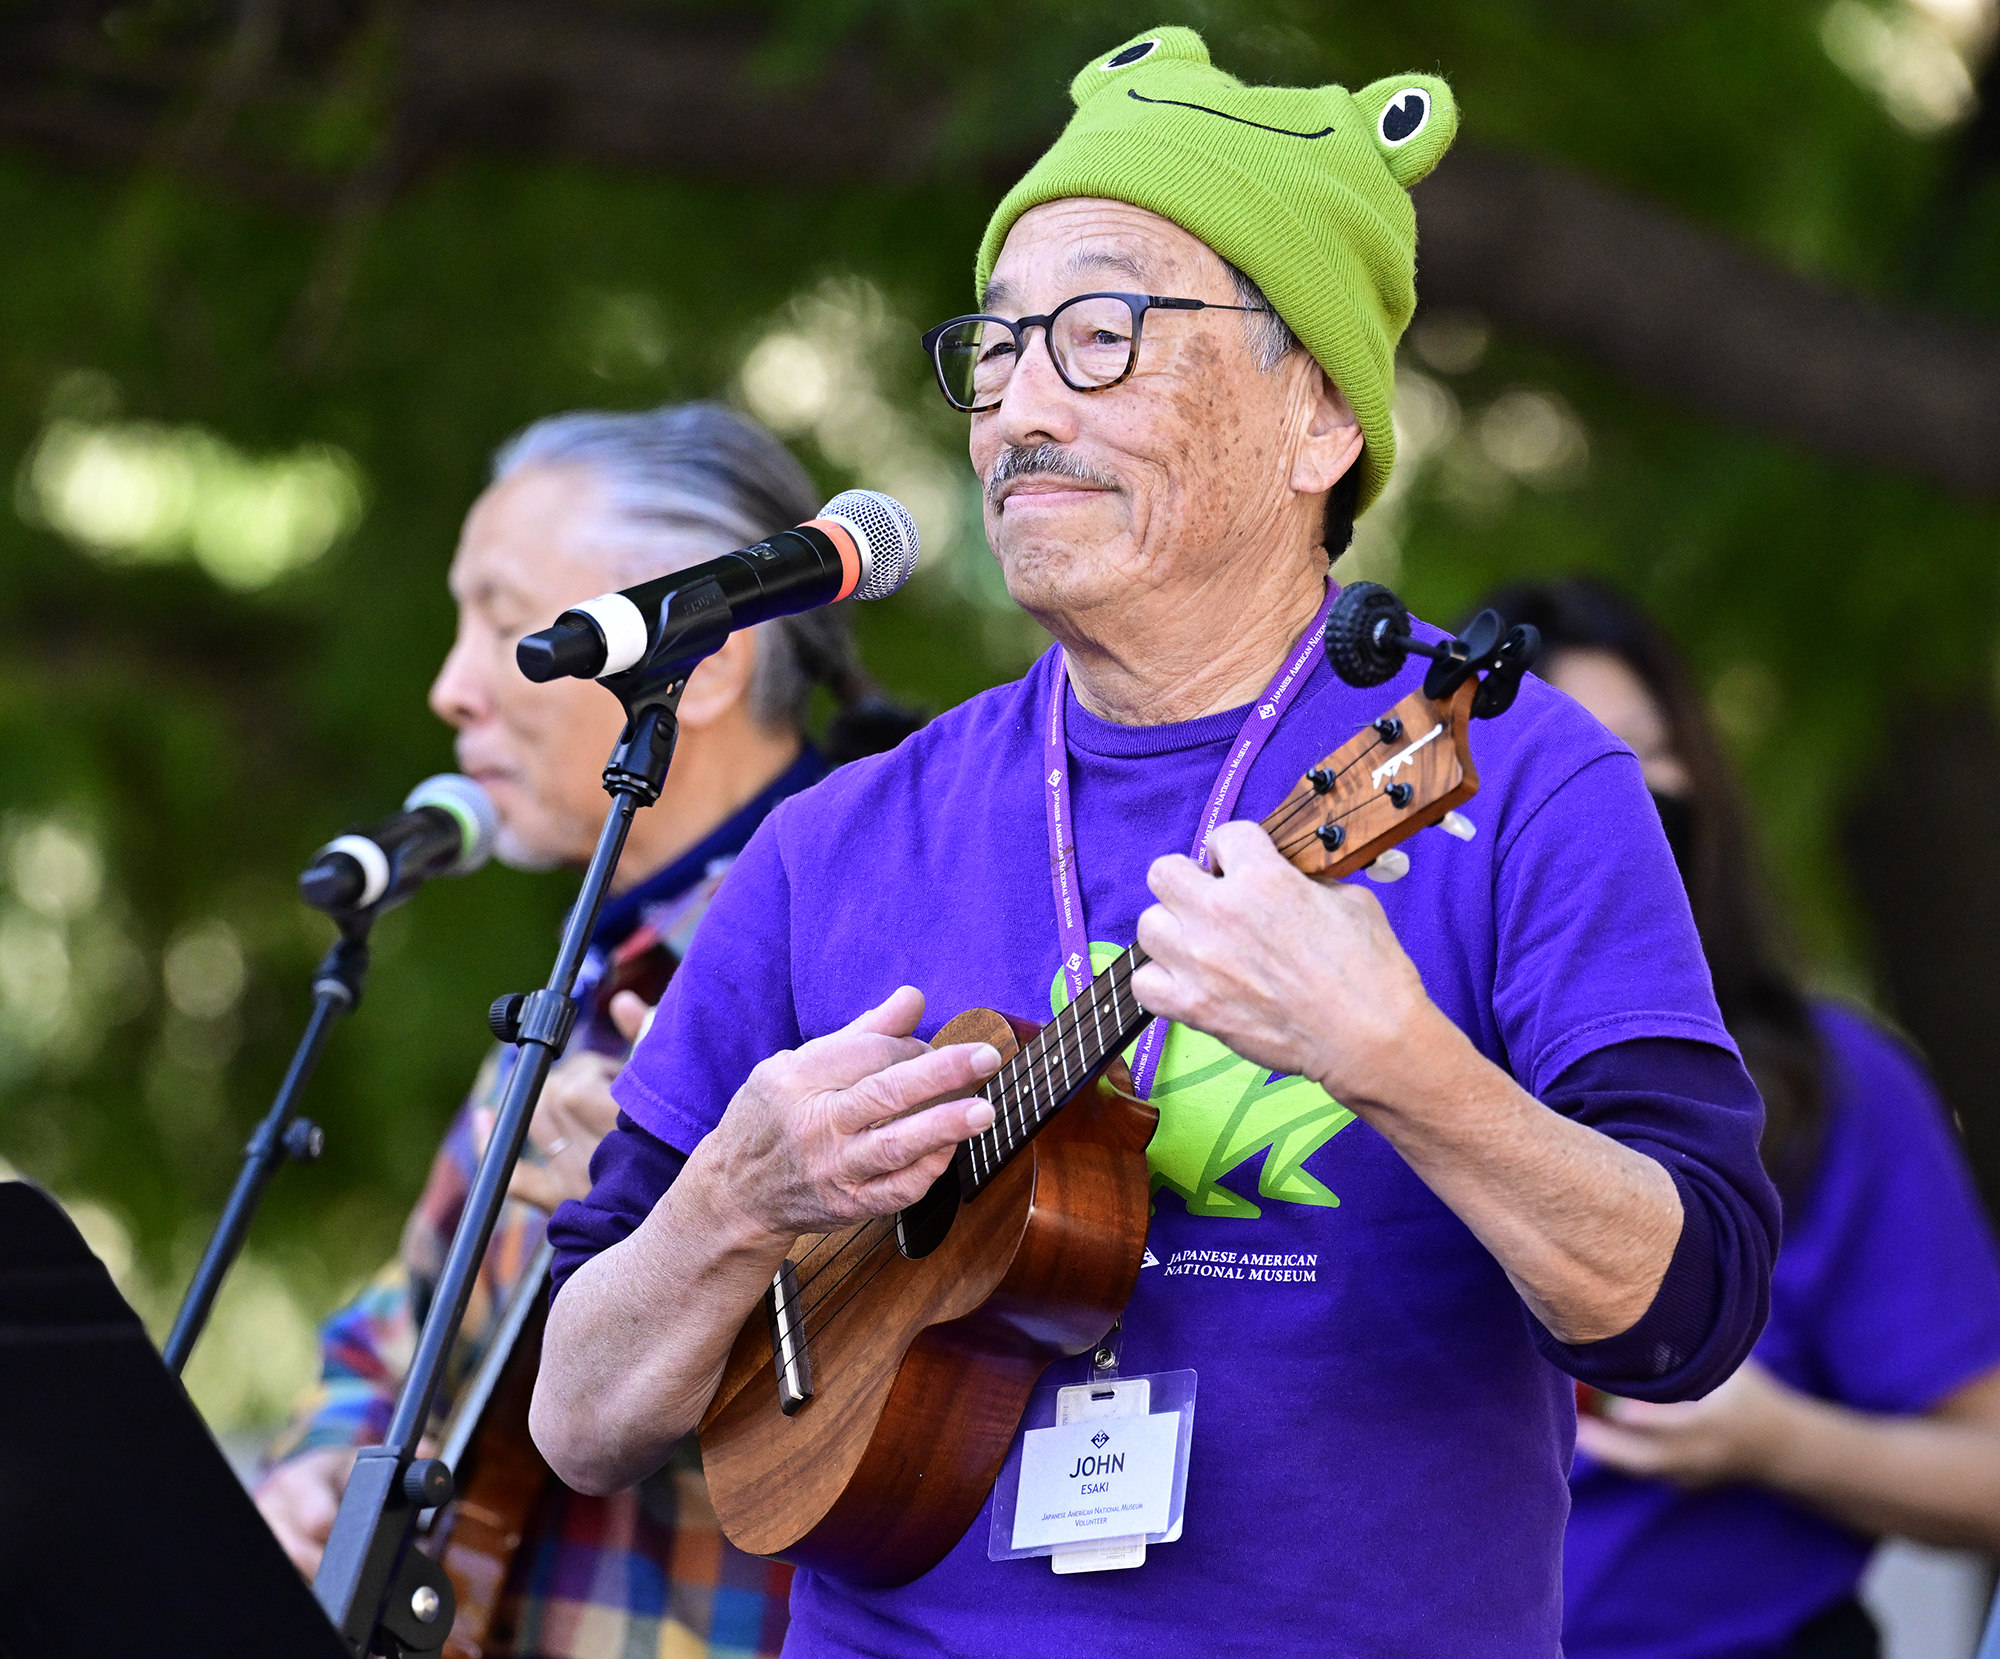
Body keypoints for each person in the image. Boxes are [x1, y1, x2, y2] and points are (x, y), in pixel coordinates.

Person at [531, 29, 1782, 1657]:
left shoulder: (1515, 771)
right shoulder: (834, 838)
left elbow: (1692, 1312)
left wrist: (1398, 1057)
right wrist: (731, 1201)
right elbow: (577, 1410)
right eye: (995, 349)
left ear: (1316, 416)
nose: (1022, 405)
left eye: (1104, 335)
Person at [254, 401, 913, 1658]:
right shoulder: (587, 974)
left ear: (705, 666)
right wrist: (316, 1477)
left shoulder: (868, 952)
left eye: (506, 628)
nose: (453, 689)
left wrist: (687, 1212)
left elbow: (913, 1389)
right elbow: (396, 1322)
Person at [1474, 578, 2000, 1659]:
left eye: (1641, 754)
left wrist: (1773, 1441)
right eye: (1551, 762)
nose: (1605, 797)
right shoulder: (1364, 1072)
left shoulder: (1833, 1083)